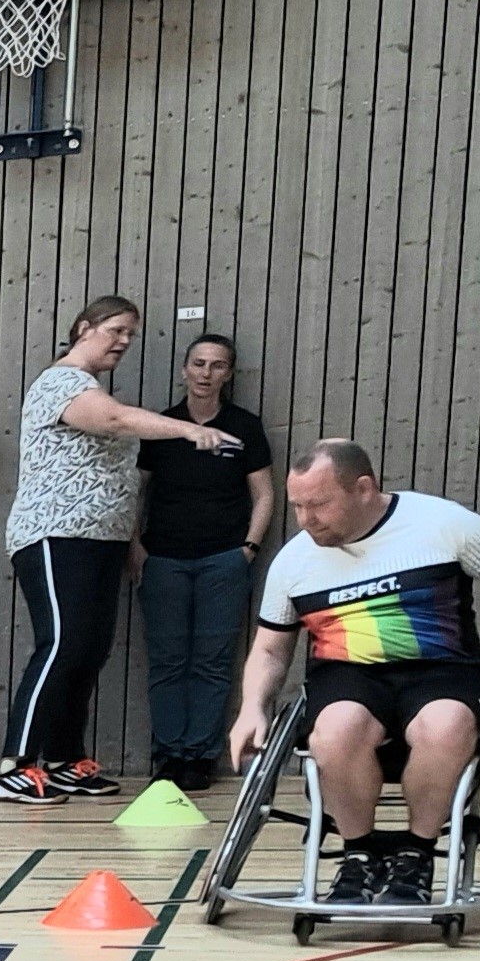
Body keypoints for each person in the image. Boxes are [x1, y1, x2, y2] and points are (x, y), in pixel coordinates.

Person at [228, 441, 480, 905]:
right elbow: (269, 649)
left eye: (319, 504)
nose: (306, 520)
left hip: (441, 671)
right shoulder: (294, 560)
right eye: (298, 505)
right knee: (337, 730)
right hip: (347, 677)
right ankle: (358, 857)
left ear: (365, 489)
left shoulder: (441, 524)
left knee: (446, 725)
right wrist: (252, 708)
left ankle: (416, 856)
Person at [0, 297, 238, 806]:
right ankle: (14, 764)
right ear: (84, 327)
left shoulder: (93, 386)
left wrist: (128, 540)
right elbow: (113, 422)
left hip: (101, 540)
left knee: (88, 649)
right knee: (61, 644)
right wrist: (190, 429)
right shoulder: (61, 382)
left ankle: (62, 761)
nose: (124, 342)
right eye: (116, 330)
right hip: (56, 535)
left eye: (132, 334)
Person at [131, 334, 274, 793]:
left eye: (216, 365)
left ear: (228, 373)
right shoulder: (161, 425)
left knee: (213, 662)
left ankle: (200, 757)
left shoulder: (245, 427)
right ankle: (169, 754)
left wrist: (247, 550)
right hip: (164, 559)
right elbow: (134, 492)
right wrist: (136, 550)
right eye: (198, 363)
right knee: (169, 661)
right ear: (185, 368)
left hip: (223, 561)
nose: (205, 373)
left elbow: (265, 495)